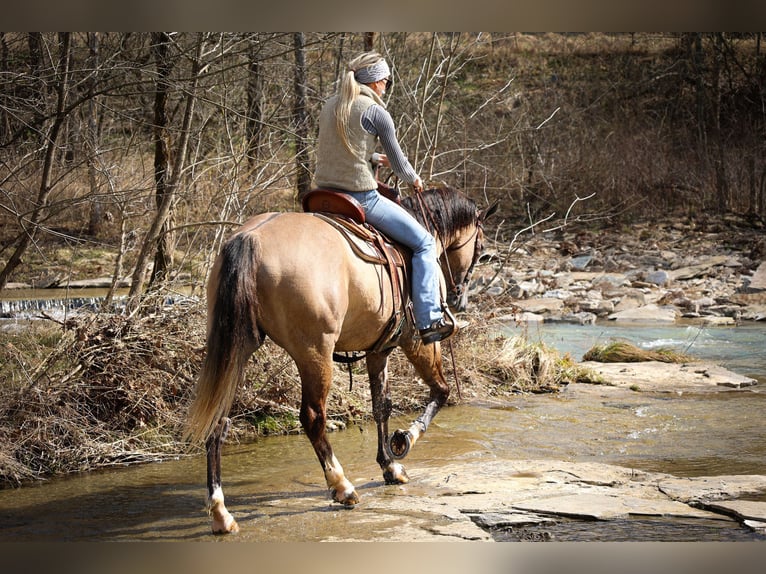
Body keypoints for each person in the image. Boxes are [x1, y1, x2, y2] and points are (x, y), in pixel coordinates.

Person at [313, 51, 453, 345]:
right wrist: (413, 178)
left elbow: (339, 149)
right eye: (386, 81)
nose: (387, 86)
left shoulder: (330, 106)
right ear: (375, 82)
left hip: (322, 194)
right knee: (425, 243)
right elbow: (400, 162)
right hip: (360, 197)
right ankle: (429, 319)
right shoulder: (375, 111)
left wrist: (373, 157)